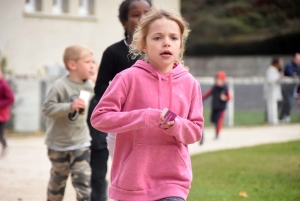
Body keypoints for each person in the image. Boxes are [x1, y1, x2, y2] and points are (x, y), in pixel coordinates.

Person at [91, 7, 204, 201]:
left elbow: (195, 131)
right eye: (157, 37)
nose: (166, 43)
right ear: (143, 44)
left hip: (173, 181)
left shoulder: (190, 84)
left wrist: (176, 124)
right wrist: (144, 117)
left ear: (180, 46)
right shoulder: (127, 78)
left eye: (173, 38)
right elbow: (100, 118)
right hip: (132, 182)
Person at [86, 1, 152, 201]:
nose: (141, 18)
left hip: (144, 123)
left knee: (140, 171)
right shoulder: (113, 53)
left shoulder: (157, 53)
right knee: (99, 169)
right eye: (135, 14)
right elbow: (100, 87)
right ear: (124, 21)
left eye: (147, 13)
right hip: (109, 120)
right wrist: (124, 100)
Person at [42, 45, 94, 201]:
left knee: (83, 183)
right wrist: (69, 106)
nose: (92, 65)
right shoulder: (59, 86)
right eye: (87, 62)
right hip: (58, 144)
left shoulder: (89, 86)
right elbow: (47, 109)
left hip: (80, 142)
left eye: (92, 61)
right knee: (58, 181)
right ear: (72, 65)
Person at [202, 71, 231, 139]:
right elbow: (207, 94)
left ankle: (217, 134)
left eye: (220, 80)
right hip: (215, 107)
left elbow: (229, 97)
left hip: (221, 108)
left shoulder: (224, 89)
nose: (218, 81)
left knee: (219, 121)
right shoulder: (214, 88)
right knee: (214, 120)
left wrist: (225, 98)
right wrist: (200, 97)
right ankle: (216, 131)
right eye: (217, 79)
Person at [279, 53, 300, 123]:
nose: (298, 61)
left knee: (286, 103)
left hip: (293, 88)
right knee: (289, 103)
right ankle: (286, 116)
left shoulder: (299, 66)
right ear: (294, 59)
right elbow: (291, 74)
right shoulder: (289, 65)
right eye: (297, 59)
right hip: (285, 88)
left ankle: (282, 117)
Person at [0, 66, 14, 157]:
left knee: (0, 134)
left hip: (2, 115)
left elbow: (11, 98)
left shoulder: (4, 84)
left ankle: (5, 144)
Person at [264, 57, 283, 122]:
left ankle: (274, 119)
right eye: (280, 62)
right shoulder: (270, 69)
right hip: (270, 91)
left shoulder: (275, 69)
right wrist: (278, 76)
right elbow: (270, 80)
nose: (281, 64)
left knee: (274, 105)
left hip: (274, 90)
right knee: (271, 105)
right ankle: (271, 120)